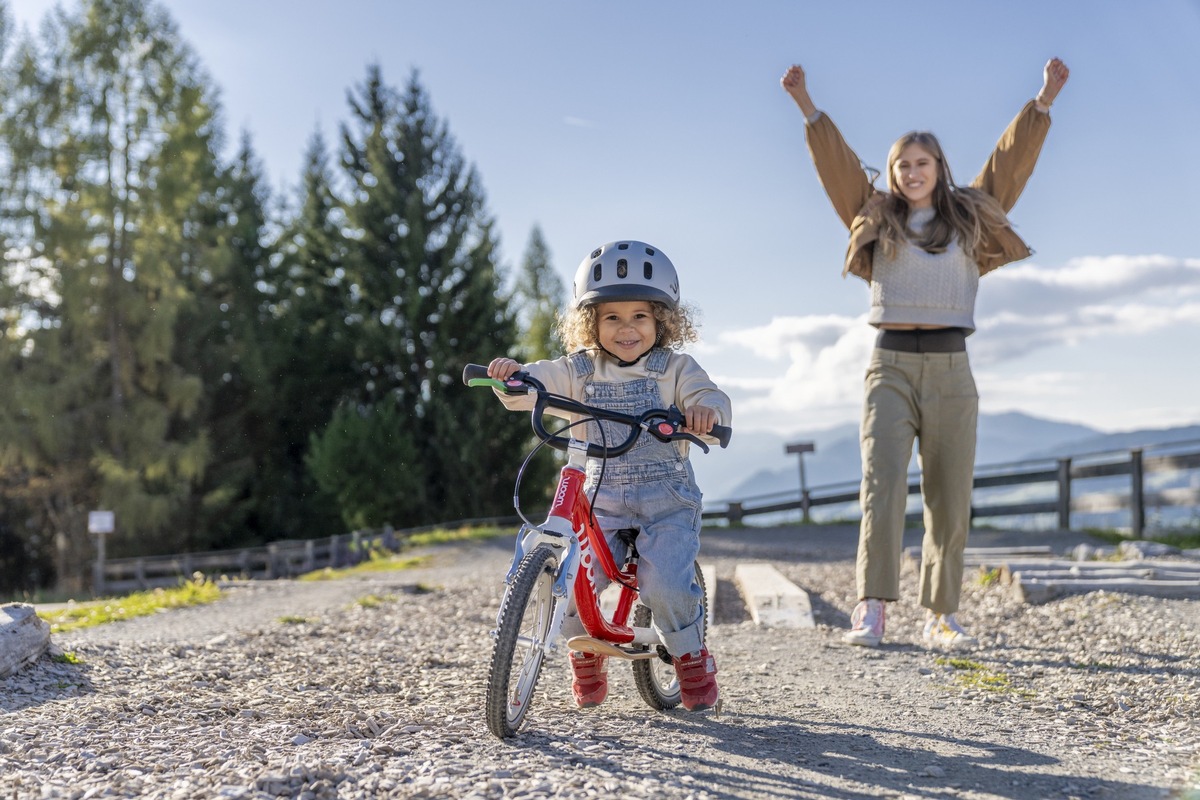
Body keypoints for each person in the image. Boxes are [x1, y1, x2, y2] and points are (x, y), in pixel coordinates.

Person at [780, 58, 1070, 649]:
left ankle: (941, 614)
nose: (912, 173)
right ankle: (872, 609)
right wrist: (807, 107)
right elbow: (836, 168)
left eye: (922, 163)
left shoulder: (971, 215)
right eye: (902, 165)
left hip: (951, 368)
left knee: (949, 493)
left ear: (939, 168)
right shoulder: (874, 215)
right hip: (888, 366)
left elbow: (1009, 165)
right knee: (881, 486)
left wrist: (1042, 102)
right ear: (891, 173)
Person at [486, 239, 732, 711]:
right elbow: (537, 383)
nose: (626, 329)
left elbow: (709, 396)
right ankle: (585, 654)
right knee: (579, 572)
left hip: (667, 500)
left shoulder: (675, 369)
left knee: (663, 584)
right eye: (611, 317)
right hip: (602, 500)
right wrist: (514, 376)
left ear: (661, 319)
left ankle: (690, 655)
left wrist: (703, 411)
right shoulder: (580, 369)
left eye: (639, 316)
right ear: (591, 322)